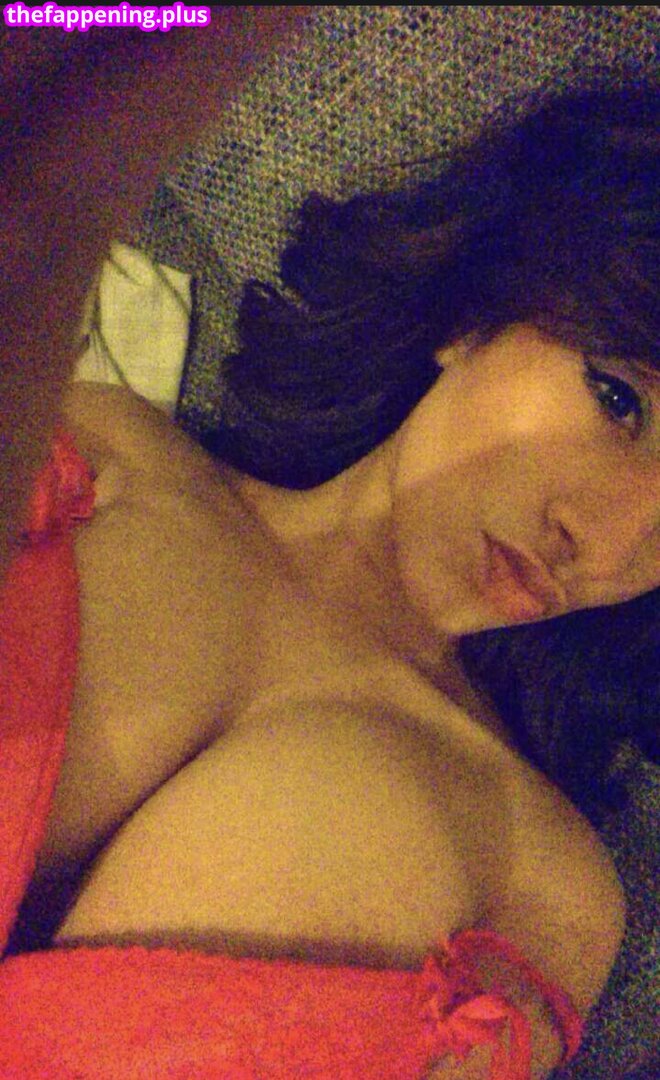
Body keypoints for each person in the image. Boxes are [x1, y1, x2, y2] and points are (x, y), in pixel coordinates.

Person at [0, 25, 656, 1076]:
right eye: (617, 399)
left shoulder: (541, 875)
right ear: (480, 309)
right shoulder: (106, 448)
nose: (612, 539)